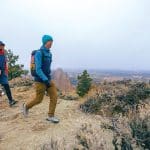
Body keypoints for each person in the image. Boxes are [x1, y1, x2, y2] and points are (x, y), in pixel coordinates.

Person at [22, 35, 59, 123]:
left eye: (52, 41)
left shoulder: (49, 53)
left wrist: (48, 78)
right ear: (45, 42)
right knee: (39, 99)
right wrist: (45, 79)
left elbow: (47, 67)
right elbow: (38, 69)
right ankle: (26, 106)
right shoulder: (39, 53)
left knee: (54, 96)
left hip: (48, 79)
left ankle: (51, 116)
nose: (51, 43)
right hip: (40, 81)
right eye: (50, 41)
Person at [0, 41, 18, 107]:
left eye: (3, 45)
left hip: (3, 73)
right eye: (1, 45)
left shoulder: (3, 53)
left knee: (6, 86)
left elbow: (4, 63)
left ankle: (11, 101)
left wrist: (6, 71)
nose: (2, 46)